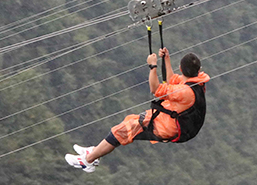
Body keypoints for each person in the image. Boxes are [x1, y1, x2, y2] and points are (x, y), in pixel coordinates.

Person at [65, 48, 210, 172]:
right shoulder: (196, 81)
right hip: (168, 120)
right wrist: (166, 59)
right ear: (199, 70)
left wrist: (153, 67)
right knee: (129, 122)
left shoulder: (185, 92)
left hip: (167, 127)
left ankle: (88, 161)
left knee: (122, 130)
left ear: (181, 68)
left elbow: (156, 89)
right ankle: (95, 152)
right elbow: (173, 79)